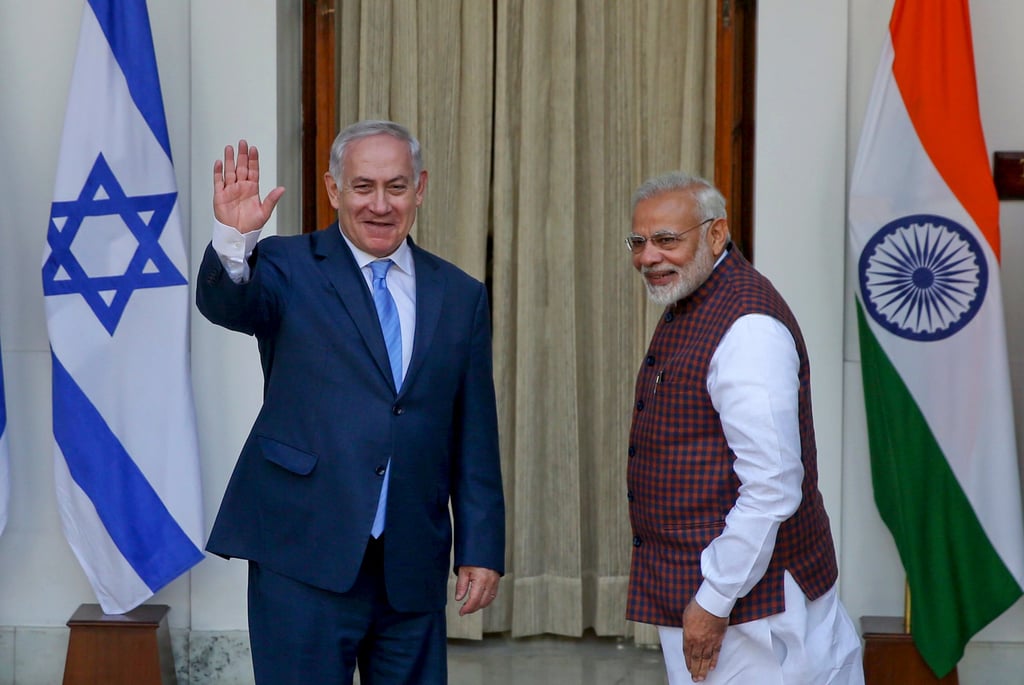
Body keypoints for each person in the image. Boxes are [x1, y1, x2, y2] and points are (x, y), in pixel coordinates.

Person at [196, 119, 505, 685]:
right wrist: (234, 242)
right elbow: (229, 306)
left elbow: (474, 433)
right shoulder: (288, 266)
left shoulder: (460, 295)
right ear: (335, 191)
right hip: (302, 554)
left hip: (410, 563)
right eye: (363, 187)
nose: (380, 205)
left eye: (396, 186)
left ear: (420, 188)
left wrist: (482, 547)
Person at [624, 171, 863, 684]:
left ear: (715, 234)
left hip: (752, 611)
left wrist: (712, 601)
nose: (648, 257)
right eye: (639, 242)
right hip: (722, 595)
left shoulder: (747, 328)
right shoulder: (698, 299)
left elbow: (773, 487)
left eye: (667, 240)